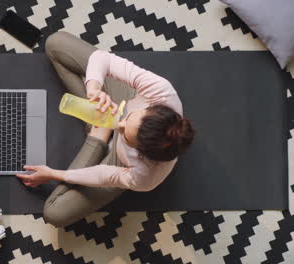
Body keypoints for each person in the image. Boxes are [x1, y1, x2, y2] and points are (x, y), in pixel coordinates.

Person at [16, 32, 195, 227]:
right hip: (122, 101)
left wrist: (54, 173)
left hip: (118, 161)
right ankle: (101, 122)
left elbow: (104, 175)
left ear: (141, 153)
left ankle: (98, 135)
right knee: (55, 43)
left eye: (126, 134)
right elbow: (103, 59)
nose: (120, 124)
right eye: (130, 119)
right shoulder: (161, 92)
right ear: (151, 108)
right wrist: (94, 89)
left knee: (54, 213)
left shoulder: (145, 176)